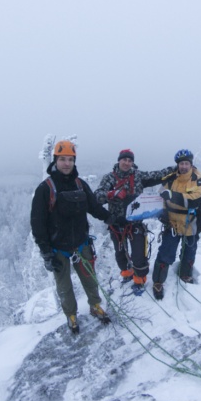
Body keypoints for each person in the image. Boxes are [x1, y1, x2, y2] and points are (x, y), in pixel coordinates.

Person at [30, 140, 112, 334]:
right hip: (58, 249)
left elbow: (94, 207)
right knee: (64, 286)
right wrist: (46, 252)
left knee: (90, 279)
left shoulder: (80, 184)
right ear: (55, 161)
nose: (67, 163)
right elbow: (37, 223)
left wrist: (111, 218)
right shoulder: (46, 189)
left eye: (70, 159)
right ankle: (71, 314)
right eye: (62, 159)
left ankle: (95, 305)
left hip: (81, 244)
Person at [94, 149, 174, 293]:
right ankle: (127, 274)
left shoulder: (138, 176)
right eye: (124, 160)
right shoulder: (109, 178)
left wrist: (175, 168)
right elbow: (97, 196)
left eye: (130, 160)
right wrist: (112, 194)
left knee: (138, 253)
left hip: (135, 223)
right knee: (120, 253)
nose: (127, 163)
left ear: (132, 162)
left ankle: (139, 280)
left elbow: (157, 175)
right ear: (119, 160)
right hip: (116, 222)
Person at [152, 149, 201, 300]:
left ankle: (185, 274)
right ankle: (158, 281)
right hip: (172, 223)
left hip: (191, 222)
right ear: (178, 164)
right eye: (181, 164)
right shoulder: (170, 179)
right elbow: (161, 196)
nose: (183, 166)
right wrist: (162, 212)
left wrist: (173, 196)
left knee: (189, 251)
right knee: (166, 251)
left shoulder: (197, 179)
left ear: (191, 164)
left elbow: (197, 198)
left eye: (186, 163)